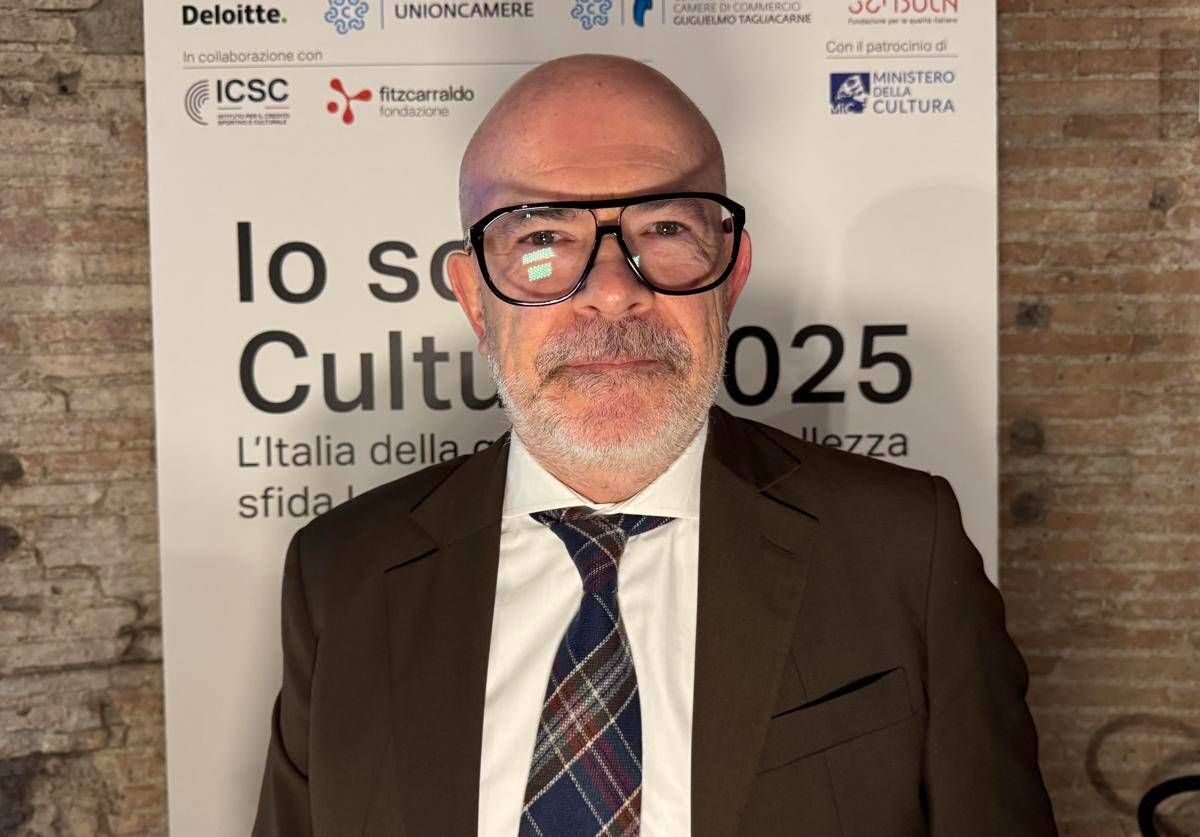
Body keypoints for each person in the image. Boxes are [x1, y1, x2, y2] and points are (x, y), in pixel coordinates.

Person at [252, 54, 1057, 836]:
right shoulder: (341, 576)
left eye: (665, 227)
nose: (612, 292)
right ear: (473, 296)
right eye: (544, 236)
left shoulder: (903, 550)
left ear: (731, 272)